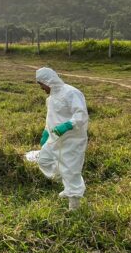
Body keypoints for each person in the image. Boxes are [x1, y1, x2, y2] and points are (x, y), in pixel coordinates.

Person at [33, 67, 89, 211]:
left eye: (41, 84)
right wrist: (46, 132)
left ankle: (74, 204)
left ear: (48, 81)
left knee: (71, 170)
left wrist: (68, 125)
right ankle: (68, 185)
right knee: (44, 160)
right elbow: (50, 118)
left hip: (72, 140)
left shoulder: (71, 93)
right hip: (55, 138)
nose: (41, 88)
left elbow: (81, 115)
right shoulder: (50, 99)